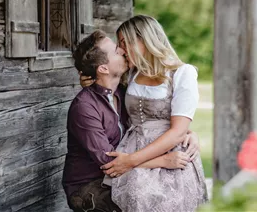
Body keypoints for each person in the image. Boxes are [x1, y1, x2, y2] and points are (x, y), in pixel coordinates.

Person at [63, 30, 198, 212]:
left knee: (171, 192)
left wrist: (186, 132)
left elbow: (150, 120)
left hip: (124, 172)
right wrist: (163, 161)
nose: (123, 50)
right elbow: (108, 162)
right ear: (103, 68)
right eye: (116, 51)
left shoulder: (123, 93)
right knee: (145, 203)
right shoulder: (85, 107)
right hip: (90, 184)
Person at [100, 15, 208, 211]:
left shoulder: (182, 74)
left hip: (171, 153)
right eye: (119, 44)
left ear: (145, 40)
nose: (121, 50)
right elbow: (101, 81)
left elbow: (177, 131)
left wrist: (131, 161)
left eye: (125, 43)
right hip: (132, 147)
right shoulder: (130, 73)